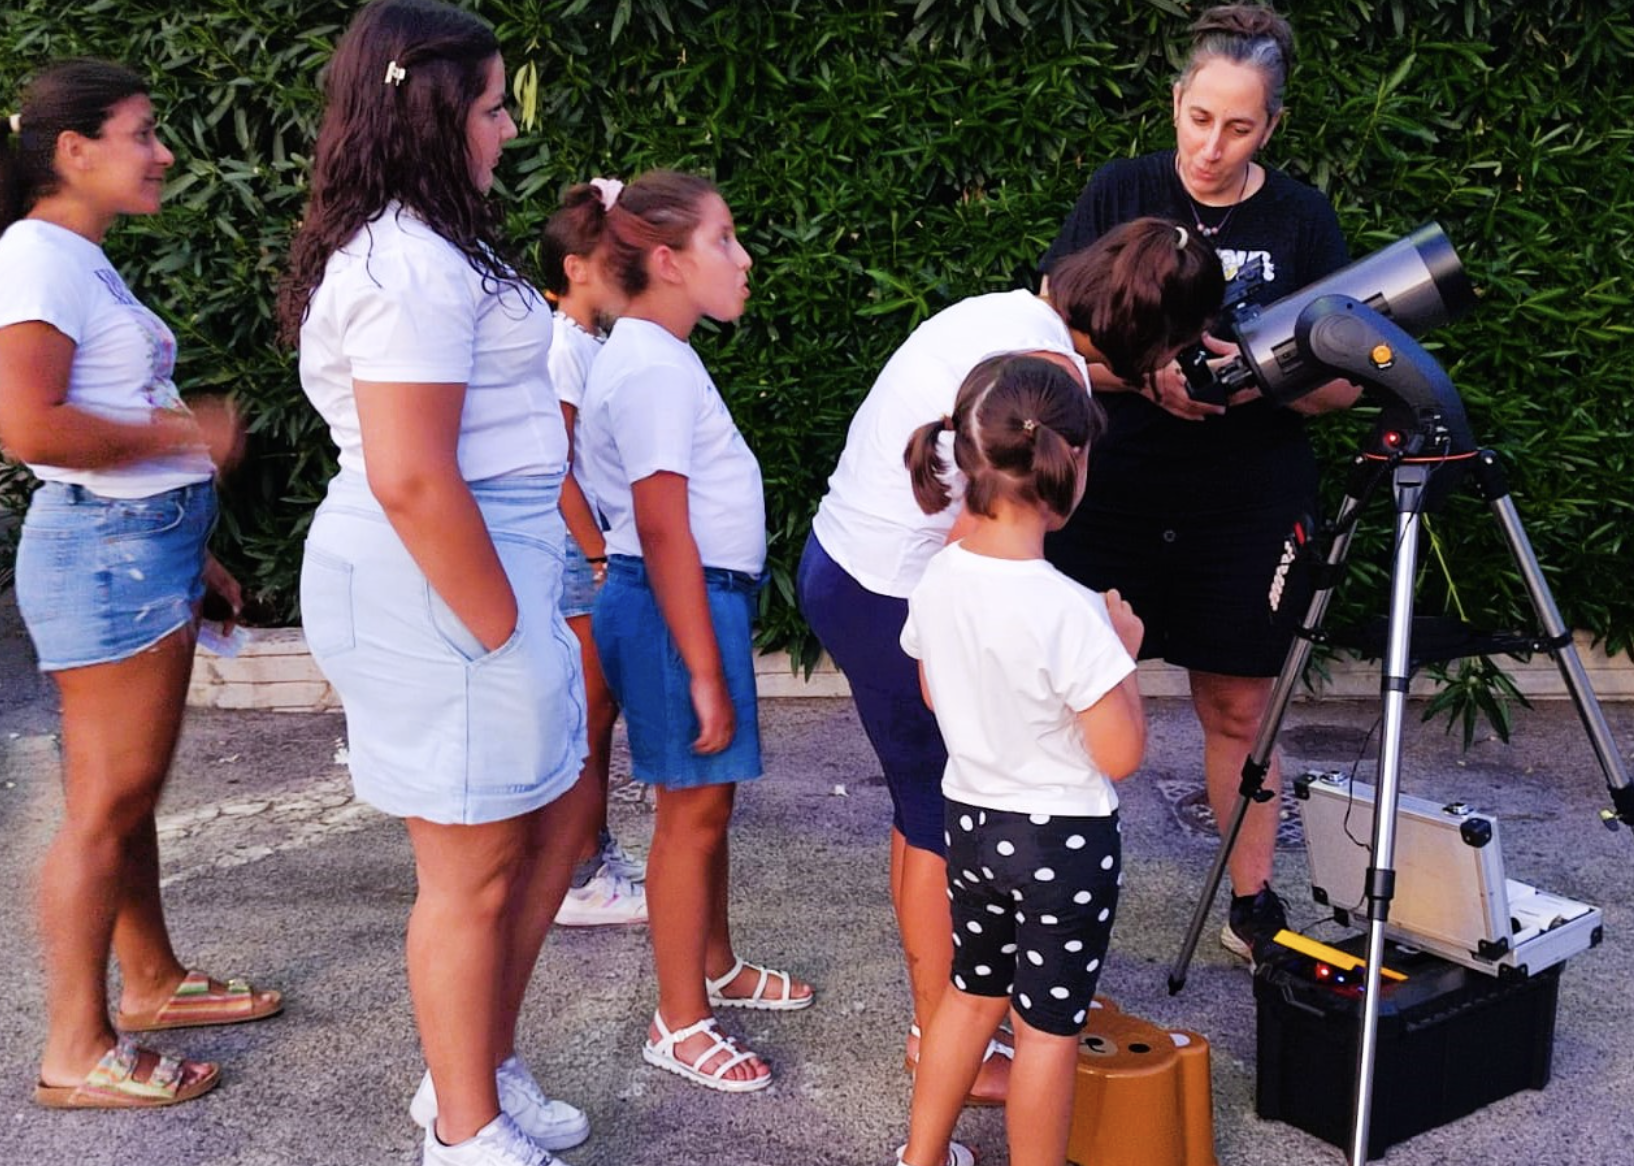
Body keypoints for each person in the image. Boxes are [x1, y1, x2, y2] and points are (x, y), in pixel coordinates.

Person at [798, 217, 1221, 1105]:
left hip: (841, 565)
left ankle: (956, 1012)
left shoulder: (1008, 322)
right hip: (884, 590)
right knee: (934, 820)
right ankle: (943, 1032)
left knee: (934, 810)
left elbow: (1059, 392)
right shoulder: (1053, 380)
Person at [276, 2, 588, 1163]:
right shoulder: (405, 260)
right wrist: (503, 624)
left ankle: (476, 1068)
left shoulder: (433, 239)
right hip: (442, 575)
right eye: (495, 105)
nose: (508, 128)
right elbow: (412, 475)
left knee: (547, 825)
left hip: (476, 564)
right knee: (467, 869)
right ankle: (464, 1128)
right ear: (431, 111)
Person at [1038, 2, 1359, 969]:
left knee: (1239, 711)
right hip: (1112, 486)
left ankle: (1251, 904)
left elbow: (1346, 380)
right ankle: (1046, 884)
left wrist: (1262, 373)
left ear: (1274, 127)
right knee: (1068, 696)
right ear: (1176, 102)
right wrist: (1144, 374)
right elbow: (1051, 339)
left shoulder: (1301, 218)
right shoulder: (1121, 190)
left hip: (1246, 504)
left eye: (1240, 126)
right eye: (1198, 118)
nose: (1212, 146)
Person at [0, 58, 279, 1112]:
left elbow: (91, 419)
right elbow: (27, 426)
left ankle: (152, 980)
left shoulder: (73, 256)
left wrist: (192, 542)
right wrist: (184, 434)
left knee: (126, 795)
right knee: (104, 805)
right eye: (142, 132)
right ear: (73, 151)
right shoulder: (38, 256)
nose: (161, 152)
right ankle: (76, 1044)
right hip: (111, 548)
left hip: (137, 543)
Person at [575, 168, 814, 1095]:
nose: (744, 257)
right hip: (677, 600)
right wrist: (705, 670)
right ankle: (679, 1021)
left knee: (706, 807)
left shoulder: (656, 356)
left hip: (687, 598)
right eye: (725, 239)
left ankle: (711, 965)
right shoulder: (647, 365)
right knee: (690, 813)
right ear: (667, 262)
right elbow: (663, 523)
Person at [894, 353, 1146, 1166]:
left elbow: (936, 696)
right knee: (1045, 1035)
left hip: (971, 823)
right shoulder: (1072, 613)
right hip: (1061, 845)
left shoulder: (938, 579)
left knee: (969, 1000)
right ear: (1069, 461)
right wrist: (1123, 654)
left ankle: (921, 1156)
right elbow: (1122, 753)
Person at [539, 178, 648, 929]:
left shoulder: (585, 340)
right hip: (580, 553)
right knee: (588, 716)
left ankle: (592, 853)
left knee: (597, 713)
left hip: (592, 549)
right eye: (617, 260)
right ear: (577, 267)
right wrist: (598, 555)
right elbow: (554, 462)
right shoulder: (560, 348)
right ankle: (579, 876)